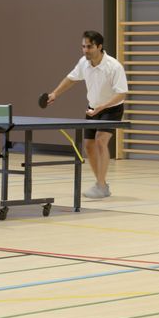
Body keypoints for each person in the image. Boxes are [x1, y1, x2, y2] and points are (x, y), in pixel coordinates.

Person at [45, 31, 127, 199]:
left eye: (89, 46)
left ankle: (100, 185)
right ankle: (102, 185)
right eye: (83, 46)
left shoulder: (114, 66)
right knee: (89, 146)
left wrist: (102, 107)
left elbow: (121, 94)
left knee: (101, 141)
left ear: (99, 46)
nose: (85, 50)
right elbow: (71, 79)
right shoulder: (84, 63)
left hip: (112, 108)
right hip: (93, 107)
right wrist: (55, 94)